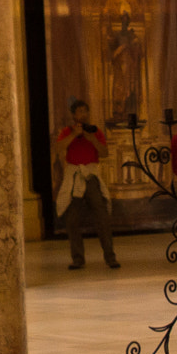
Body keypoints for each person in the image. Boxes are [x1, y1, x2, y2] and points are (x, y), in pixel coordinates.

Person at [54, 99, 119, 270]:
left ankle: (110, 257)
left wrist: (91, 138)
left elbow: (104, 153)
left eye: (85, 111)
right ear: (74, 115)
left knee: (102, 216)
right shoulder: (67, 131)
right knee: (72, 219)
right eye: (80, 111)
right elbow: (59, 148)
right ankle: (77, 259)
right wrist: (74, 135)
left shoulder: (95, 131)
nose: (83, 114)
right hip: (75, 177)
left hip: (90, 176)